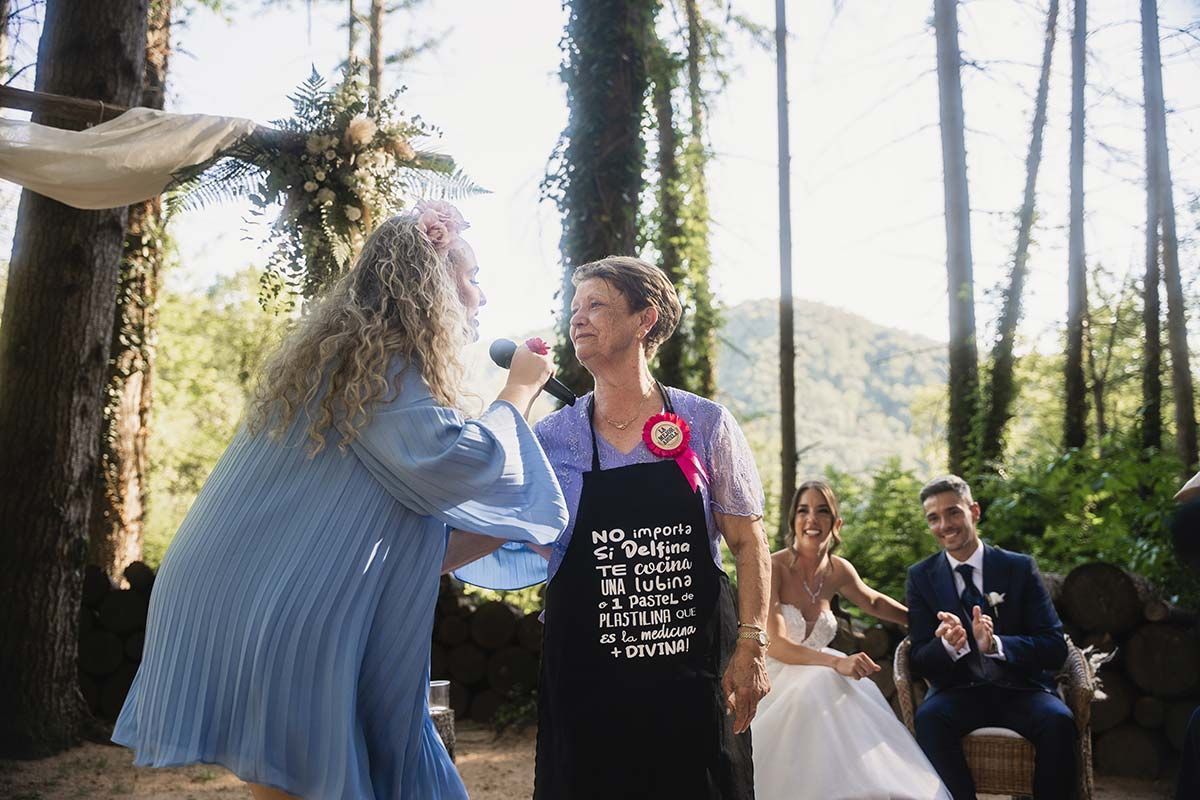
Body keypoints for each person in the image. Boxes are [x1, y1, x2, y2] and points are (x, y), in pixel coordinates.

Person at [112, 202, 568, 800]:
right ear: (432, 285)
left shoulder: (349, 364)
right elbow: (465, 463)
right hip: (280, 608)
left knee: (328, 775)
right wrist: (520, 388)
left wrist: (516, 529)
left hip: (249, 594)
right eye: (472, 275)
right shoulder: (382, 372)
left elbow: (405, 530)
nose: (481, 294)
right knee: (312, 778)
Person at [458, 256, 770, 799]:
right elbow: (502, 527)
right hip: (589, 679)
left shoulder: (705, 423)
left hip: (692, 678)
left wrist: (752, 647)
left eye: (596, 305)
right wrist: (415, 558)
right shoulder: (552, 436)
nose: (578, 319)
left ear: (645, 320)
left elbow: (748, 542)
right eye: (574, 308)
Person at [751, 479, 951, 800]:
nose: (811, 520)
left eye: (822, 511)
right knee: (821, 684)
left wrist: (926, 620)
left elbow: (872, 602)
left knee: (850, 689)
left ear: (836, 523)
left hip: (820, 669)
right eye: (803, 511)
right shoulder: (773, 567)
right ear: (793, 521)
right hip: (778, 675)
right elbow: (778, 645)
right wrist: (838, 662)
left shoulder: (837, 570)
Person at [907, 475, 1075, 800]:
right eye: (934, 518)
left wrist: (997, 645)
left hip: (1022, 690)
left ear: (974, 511)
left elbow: (1054, 647)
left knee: (1059, 721)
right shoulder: (920, 577)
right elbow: (918, 660)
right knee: (928, 719)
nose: (945, 525)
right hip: (959, 692)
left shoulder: (1019, 568)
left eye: (953, 512)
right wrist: (945, 645)